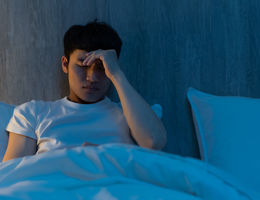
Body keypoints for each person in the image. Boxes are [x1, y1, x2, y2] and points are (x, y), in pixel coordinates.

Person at [2, 21, 167, 162]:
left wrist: (117, 75)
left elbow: (153, 143)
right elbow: (12, 176)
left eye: (101, 68)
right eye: (82, 65)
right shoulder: (34, 113)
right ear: (65, 64)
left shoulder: (131, 116)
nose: (92, 78)